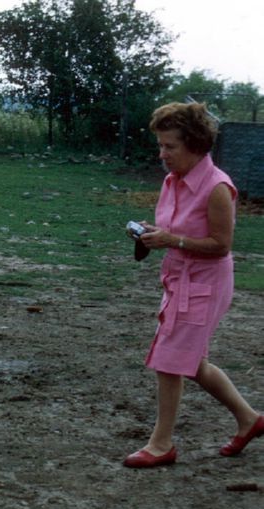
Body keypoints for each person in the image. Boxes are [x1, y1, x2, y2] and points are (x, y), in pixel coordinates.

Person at [123, 102, 263, 468]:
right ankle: (250, 420)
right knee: (191, 361)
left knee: (170, 360)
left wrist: (173, 241)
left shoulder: (217, 188)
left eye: (170, 146)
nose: (162, 154)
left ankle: (161, 444)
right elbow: (174, 231)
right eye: (161, 145)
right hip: (178, 280)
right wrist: (153, 236)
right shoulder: (172, 182)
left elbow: (221, 246)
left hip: (206, 284)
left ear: (196, 144)